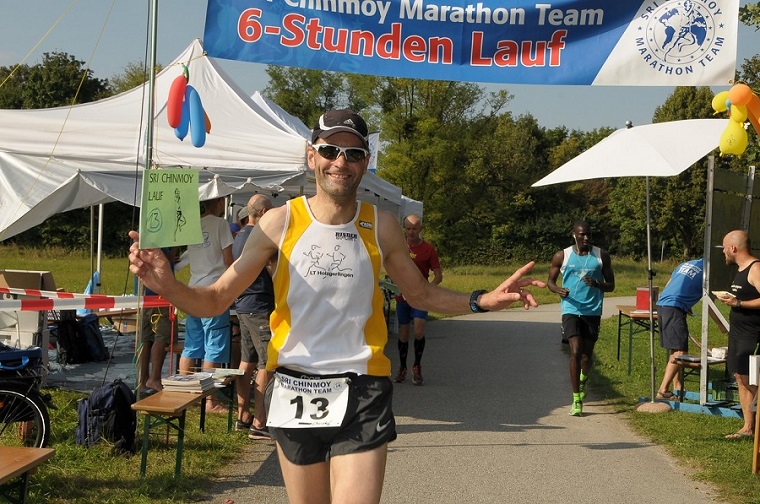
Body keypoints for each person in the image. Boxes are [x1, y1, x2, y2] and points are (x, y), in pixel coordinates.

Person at [128, 108, 544, 504]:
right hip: (293, 384)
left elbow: (420, 294)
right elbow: (216, 298)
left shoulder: (381, 225)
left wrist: (481, 300)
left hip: (362, 387)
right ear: (312, 157)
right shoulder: (279, 222)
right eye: (329, 150)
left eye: (353, 153)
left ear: (365, 163)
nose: (340, 162)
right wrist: (167, 285)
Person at [547, 221, 615, 417]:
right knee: (575, 351)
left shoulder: (601, 256)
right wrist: (558, 290)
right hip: (570, 308)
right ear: (574, 235)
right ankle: (577, 399)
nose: (586, 238)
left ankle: (583, 378)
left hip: (592, 310)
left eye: (589, 234)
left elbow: (611, 285)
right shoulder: (562, 255)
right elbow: (550, 282)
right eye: (582, 234)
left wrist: (597, 283)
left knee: (586, 356)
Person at [175, 196, 234, 413]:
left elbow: (184, 258)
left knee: (192, 344)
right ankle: (211, 401)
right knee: (214, 346)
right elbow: (229, 261)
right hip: (214, 292)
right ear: (219, 203)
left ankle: (183, 394)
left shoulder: (194, 225)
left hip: (193, 290)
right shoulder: (221, 224)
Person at [233, 194, 275, 440]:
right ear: (264, 211)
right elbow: (273, 271)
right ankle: (260, 422)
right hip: (259, 305)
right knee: (266, 364)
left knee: (246, 362)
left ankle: (242, 416)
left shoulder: (239, 235)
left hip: (244, 304)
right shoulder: (261, 237)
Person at [716, 230, 760, 439]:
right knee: (741, 378)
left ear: (733, 248)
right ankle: (747, 427)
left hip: (752, 334)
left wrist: (739, 303)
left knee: (750, 379)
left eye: (724, 247)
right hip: (738, 333)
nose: (723, 251)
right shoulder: (741, 269)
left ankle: (752, 427)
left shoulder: (756, 268)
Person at [393, 214, 442, 386]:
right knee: (404, 333)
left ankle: (417, 367)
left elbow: (438, 276)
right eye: (408, 228)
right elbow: (391, 269)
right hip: (402, 297)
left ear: (420, 229)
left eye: (414, 228)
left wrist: (427, 289)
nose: (411, 232)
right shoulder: (398, 247)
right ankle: (402, 368)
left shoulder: (428, 249)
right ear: (404, 229)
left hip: (420, 297)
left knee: (419, 331)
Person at [654, 258, 704, 400]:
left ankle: (677, 386)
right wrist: (721, 325)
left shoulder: (686, 264)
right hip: (674, 307)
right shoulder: (708, 271)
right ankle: (663, 390)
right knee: (680, 352)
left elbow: (670, 284)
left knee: (675, 350)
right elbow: (709, 300)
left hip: (663, 305)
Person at [137, 247, 178, 397]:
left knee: (146, 338)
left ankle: (143, 379)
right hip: (159, 294)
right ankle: (154, 378)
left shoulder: (144, 232)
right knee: (162, 336)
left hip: (144, 293)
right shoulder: (161, 236)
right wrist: (173, 251)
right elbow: (165, 257)